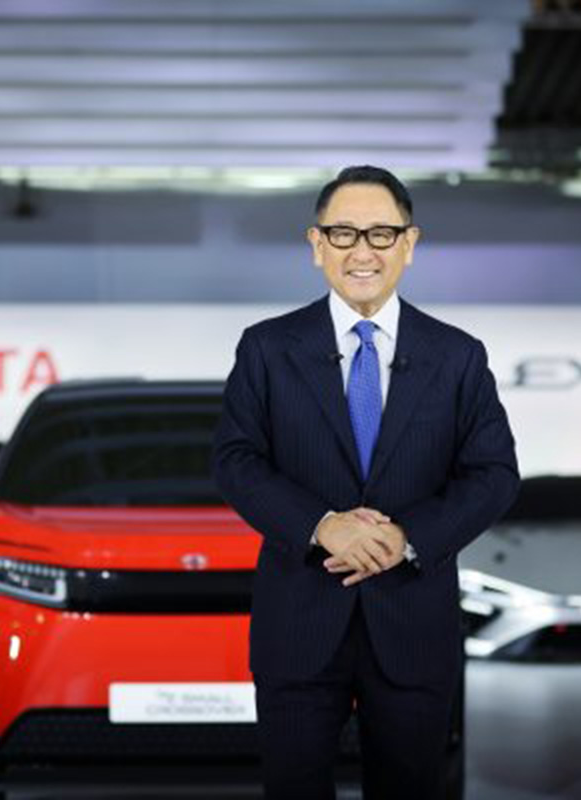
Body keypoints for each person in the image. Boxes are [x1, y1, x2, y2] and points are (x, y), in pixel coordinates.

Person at [212, 165, 520, 799]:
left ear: (409, 244)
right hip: (298, 621)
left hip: (414, 620)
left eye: (381, 234)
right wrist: (324, 527)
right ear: (316, 244)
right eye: (343, 233)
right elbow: (237, 461)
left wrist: (405, 538)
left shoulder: (458, 356)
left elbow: (493, 474)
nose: (362, 251)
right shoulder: (266, 349)